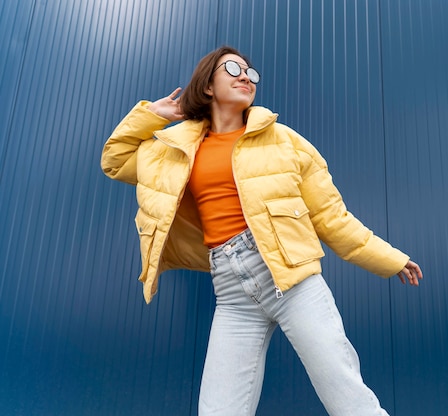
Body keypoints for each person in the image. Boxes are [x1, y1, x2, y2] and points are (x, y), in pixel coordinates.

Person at [101, 45, 423, 416]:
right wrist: (152, 116)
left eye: (251, 74)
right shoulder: (173, 149)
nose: (245, 77)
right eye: (234, 69)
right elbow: (115, 161)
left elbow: (333, 218)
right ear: (207, 85)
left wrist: (391, 260)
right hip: (232, 293)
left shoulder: (285, 140)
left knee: (345, 392)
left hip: (293, 282)